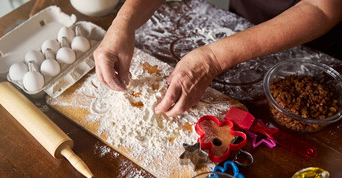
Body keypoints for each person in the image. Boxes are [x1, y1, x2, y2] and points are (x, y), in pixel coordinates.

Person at [93, 0, 342, 117]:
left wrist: (213, 58)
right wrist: (123, 23)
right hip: (242, 20)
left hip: (313, 46)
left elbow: (322, 7)